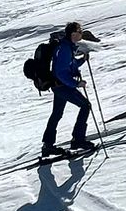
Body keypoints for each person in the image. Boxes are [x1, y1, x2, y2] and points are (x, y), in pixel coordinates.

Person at [42, 23, 98, 157]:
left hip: (58, 86)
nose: (81, 33)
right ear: (73, 34)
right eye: (79, 31)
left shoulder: (66, 46)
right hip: (63, 86)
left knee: (56, 114)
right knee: (85, 106)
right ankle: (78, 140)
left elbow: (69, 65)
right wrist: (76, 84)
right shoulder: (66, 48)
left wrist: (81, 60)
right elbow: (61, 72)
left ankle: (48, 145)